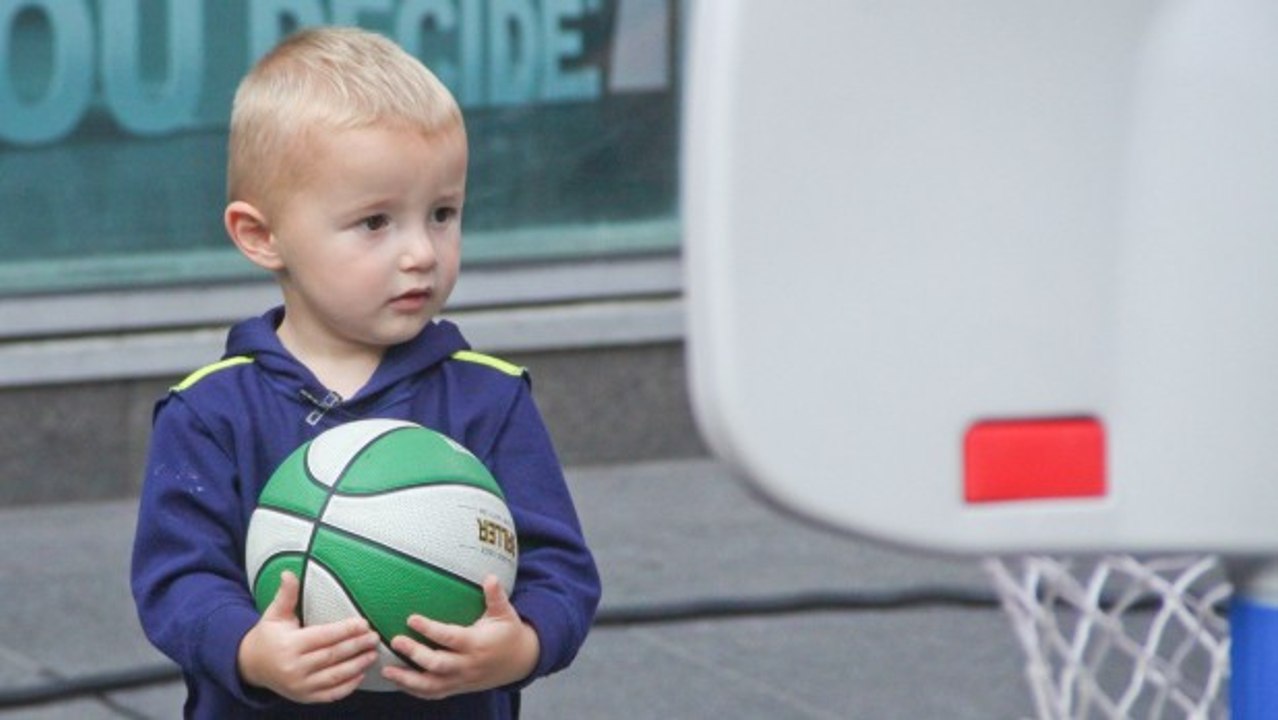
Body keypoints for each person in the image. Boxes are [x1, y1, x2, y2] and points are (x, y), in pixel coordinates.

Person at [130, 26, 601, 719]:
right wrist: (250, 650)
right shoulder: (209, 411)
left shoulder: (489, 396)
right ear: (261, 235)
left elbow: (559, 569)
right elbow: (177, 579)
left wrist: (524, 643)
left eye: (442, 214)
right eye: (376, 222)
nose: (421, 253)